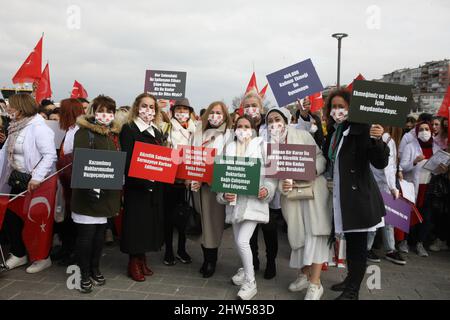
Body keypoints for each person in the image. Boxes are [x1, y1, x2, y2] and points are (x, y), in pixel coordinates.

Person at [323, 89, 389, 300]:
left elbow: (379, 162)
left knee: (358, 246)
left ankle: (353, 292)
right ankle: (350, 280)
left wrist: (378, 140)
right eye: (333, 106)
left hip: (359, 197)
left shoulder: (363, 128)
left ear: (352, 108)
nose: (337, 110)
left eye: (341, 106)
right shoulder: (335, 131)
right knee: (351, 244)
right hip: (342, 196)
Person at [266, 107, 331, 300]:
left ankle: (315, 283)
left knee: (315, 235)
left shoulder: (302, 135)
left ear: (286, 120)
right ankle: (304, 274)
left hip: (313, 193)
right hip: (292, 198)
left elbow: (320, 159)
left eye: (277, 119)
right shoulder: (270, 144)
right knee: (299, 236)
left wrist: (311, 171)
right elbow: (273, 175)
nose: (274, 124)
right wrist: (282, 185)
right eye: (269, 121)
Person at [216, 115, 276, 300]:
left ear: (253, 128)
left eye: (247, 126)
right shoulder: (228, 149)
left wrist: (267, 189)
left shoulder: (262, 147)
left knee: (243, 241)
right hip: (234, 206)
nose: (243, 129)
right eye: (239, 126)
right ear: (234, 129)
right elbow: (221, 180)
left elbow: (271, 175)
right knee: (238, 242)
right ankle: (245, 270)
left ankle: (250, 283)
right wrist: (224, 195)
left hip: (254, 204)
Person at [0, 93, 57, 273]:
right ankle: (18, 253)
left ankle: (42, 257)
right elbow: (4, 153)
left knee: (35, 220)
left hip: (36, 183)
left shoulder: (39, 128)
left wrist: (37, 177)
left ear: (21, 108)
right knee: (11, 217)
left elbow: (49, 155)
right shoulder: (15, 127)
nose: (8, 109)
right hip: (16, 179)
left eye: (11, 106)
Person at [71, 95, 122, 293]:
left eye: (109, 111)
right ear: (93, 112)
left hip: (107, 195)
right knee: (86, 235)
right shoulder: (84, 133)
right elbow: (80, 161)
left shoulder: (113, 134)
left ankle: (94, 268)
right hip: (88, 194)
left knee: (100, 235)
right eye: (101, 110)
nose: (105, 115)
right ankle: (83, 274)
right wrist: (89, 186)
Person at [119, 93, 166, 282]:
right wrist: (144, 180)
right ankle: (133, 262)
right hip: (138, 186)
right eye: (144, 106)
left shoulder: (157, 130)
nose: (148, 110)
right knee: (136, 225)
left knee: (149, 224)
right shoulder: (129, 128)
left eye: (152, 107)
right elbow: (128, 159)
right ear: (137, 107)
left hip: (156, 185)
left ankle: (142, 258)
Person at [191, 101, 233, 278]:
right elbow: (190, 156)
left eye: (219, 113)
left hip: (215, 187)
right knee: (201, 222)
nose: (216, 116)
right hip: (197, 186)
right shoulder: (198, 132)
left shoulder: (229, 134)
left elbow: (229, 160)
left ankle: (211, 260)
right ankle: (206, 258)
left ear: (225, 116)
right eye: (213, 112)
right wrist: (192, 178)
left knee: (212, 225)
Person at [241, 92, 279, 278]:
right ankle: (253, 261)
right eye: (246, 105)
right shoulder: (240, 127)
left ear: (261, 108)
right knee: (250, 229)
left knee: (270, 229)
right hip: (248, 187)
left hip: (268, 184)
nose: (250, 109)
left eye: (254, 105)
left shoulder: (269, 126)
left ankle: (271, 262)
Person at [399, 121, 442, 257]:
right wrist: (415, 161)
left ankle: (420, 243)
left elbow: (434, 169)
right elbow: (403, 167)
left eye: (427, 129)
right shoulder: (410, 147)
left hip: (428, 187)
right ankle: (403, 242)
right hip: (412, 186)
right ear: (417, 132)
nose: (424, 132)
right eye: (421, 129)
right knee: (409, 215)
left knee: (426, 217)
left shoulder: (436, 147)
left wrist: (441, 169)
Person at [366, 126, 406, 266]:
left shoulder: (388, 138)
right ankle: (367, 248)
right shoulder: (367, 135)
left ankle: (390, 249)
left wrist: (392, 186)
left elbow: (390, 165)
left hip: (385, 186)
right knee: (375, 219)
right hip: (372, 184)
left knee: (388, 220)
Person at [51, 99, 85, 266]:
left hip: (71, 180)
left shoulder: (78, 131)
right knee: (65, 217)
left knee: (72, 218)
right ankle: (67, 248)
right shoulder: (71, 130)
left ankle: (72, 251)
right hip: (66, 180)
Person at [164, 98, 196, 265]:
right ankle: (168, 250)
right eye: (179, 109)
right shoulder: (167, 127)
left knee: (184, 216)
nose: (182, 113)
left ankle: (182, 249)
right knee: (169, 217)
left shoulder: (195, 129)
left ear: (190, 112)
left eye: (185, 109)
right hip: (170, 180)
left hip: (188, 181)